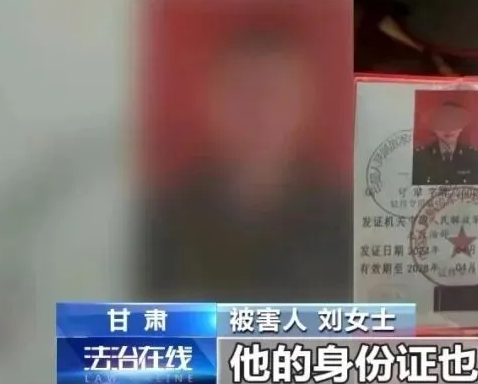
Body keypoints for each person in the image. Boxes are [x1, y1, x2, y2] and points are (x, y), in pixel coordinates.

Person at [140, 28, 352, 302]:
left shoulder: (347, 223)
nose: (259, 113)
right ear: (210, 103)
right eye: (240, 92)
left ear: (305, 106)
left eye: (275, 94)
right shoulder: (162, 221)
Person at [412, 101, 478, 185]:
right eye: (442, 123)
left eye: (454, 123)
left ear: (462, 127)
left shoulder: (475, 157)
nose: (448, 129)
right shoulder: (418, 157)